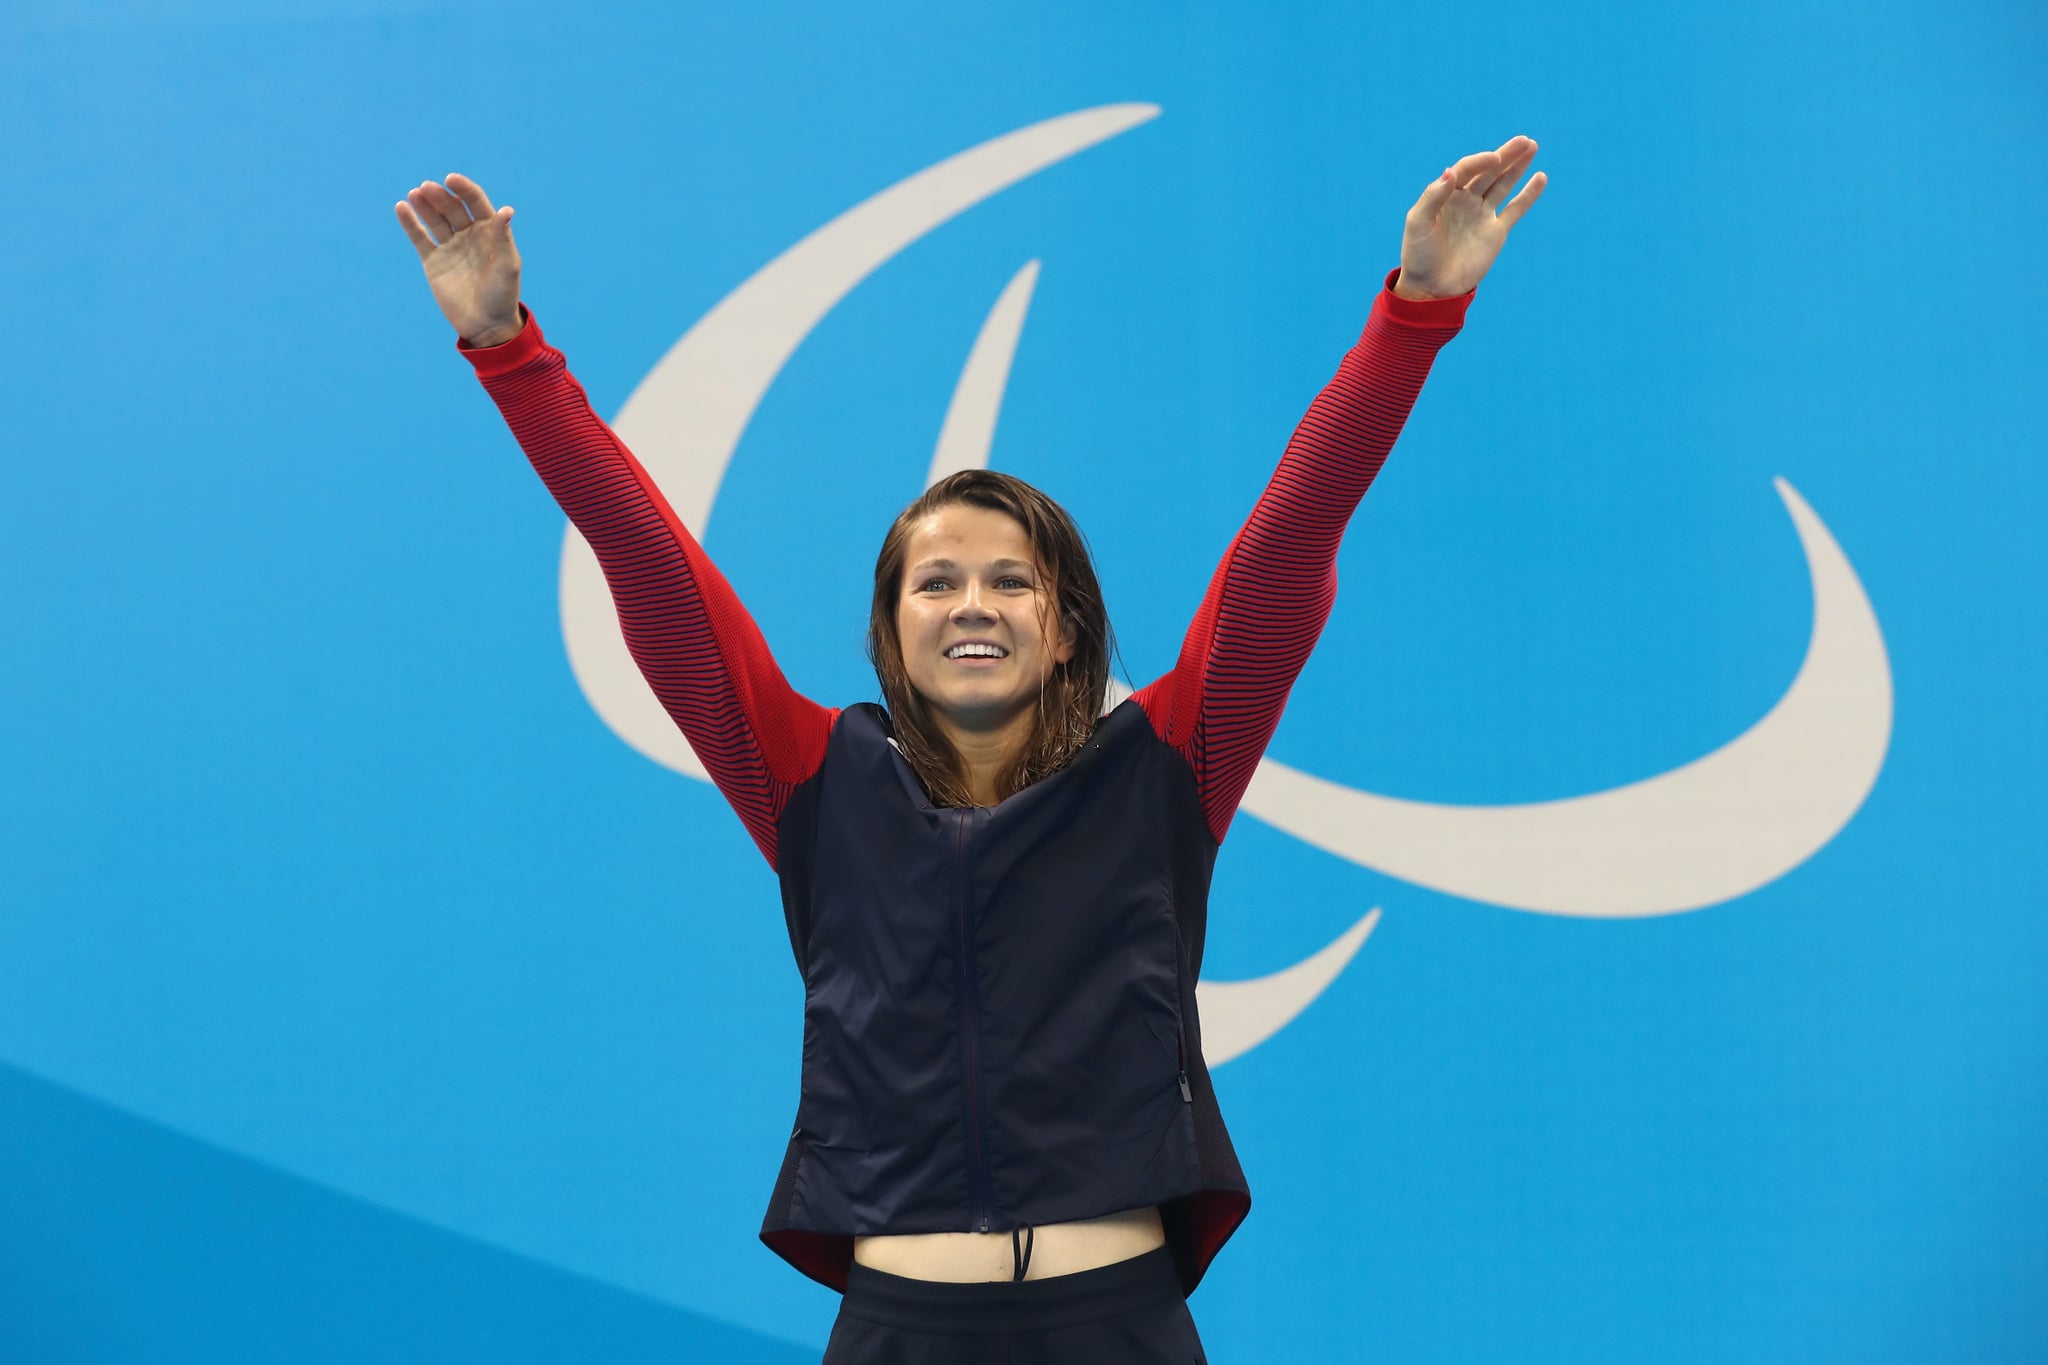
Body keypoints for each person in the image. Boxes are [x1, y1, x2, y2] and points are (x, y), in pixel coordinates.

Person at [395, 135, 1545, 1364]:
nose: (973, 604)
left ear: (1065, 629)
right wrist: (508, 350)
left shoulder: (1163, 763)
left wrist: (1415, 315)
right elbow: (653, 573)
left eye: (1011, 580)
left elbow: (1285, 543)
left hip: (1117, 1325)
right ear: (891, 632)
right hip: (902, 1328)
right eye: (934, 582)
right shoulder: (806, 778)